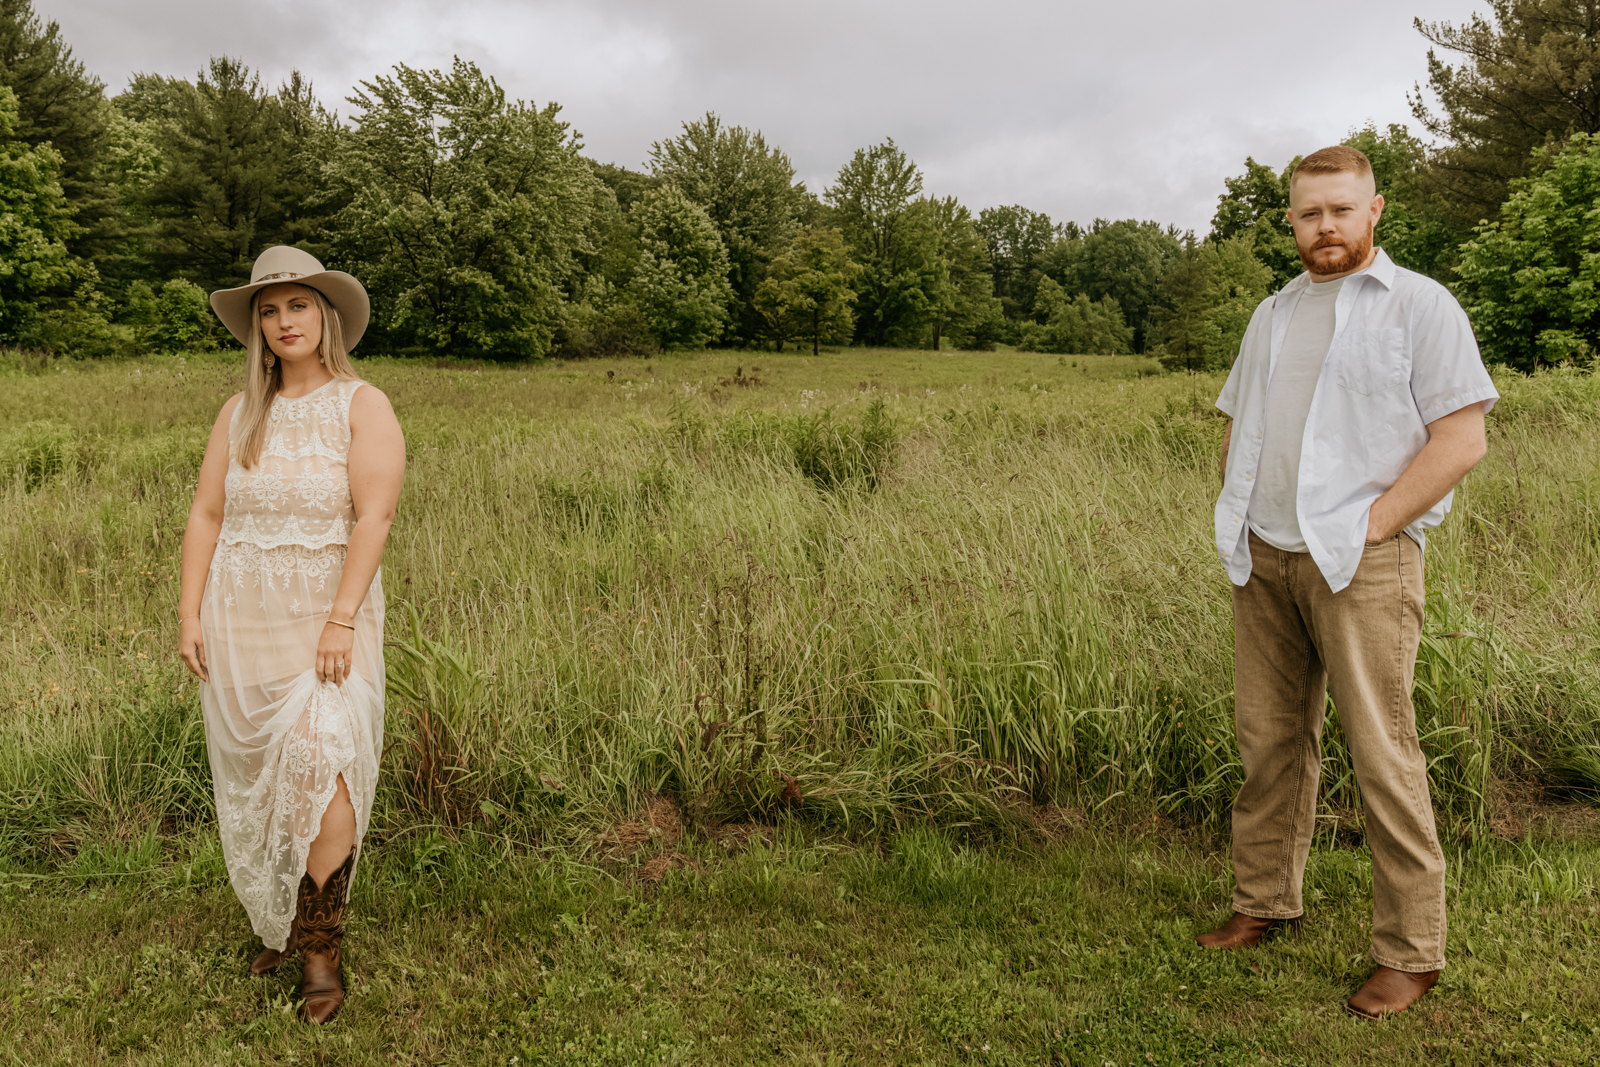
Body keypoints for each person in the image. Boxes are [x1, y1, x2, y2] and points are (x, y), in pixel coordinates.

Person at [1200, 146, 1497, 1018]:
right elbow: (1238, 422)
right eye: (1307, 213)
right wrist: (1239, 509)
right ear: (1290, 221)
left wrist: (1372, 524)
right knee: (1270, 744)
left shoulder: (1419, 306)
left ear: (1374, 211)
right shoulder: (1272, 312)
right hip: (1265, 557)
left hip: (1364, 561)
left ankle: (1411, 950)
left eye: (1340, 209)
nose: (1323, 225)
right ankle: (1264, 902)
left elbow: (1462, 437)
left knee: (1383, 752)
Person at [176, 246, 405, 1025]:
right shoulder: (240, 412)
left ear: (325, 314)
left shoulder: (361, 404)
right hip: (241, 620)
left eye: (297, 306)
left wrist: (341, 616)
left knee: (325, 760)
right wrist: (186, 613)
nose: (282, 322)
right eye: (268, 311)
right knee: (266, 776)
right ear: (257, 327)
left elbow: (373, 515)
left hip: (325, 620)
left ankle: (319, 947)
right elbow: (208, 514)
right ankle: (280, 921)